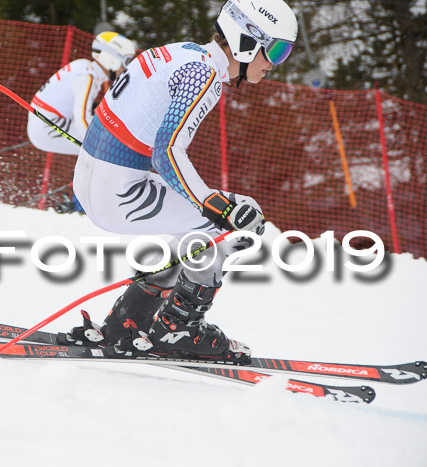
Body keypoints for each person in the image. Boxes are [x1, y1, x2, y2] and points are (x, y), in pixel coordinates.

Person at [61, 0, 298, 363]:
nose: (273, 65)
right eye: (276, 51)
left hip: (93, 182)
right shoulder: (202, 74)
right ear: (248, 39)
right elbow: (167, 153)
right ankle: (179, 328)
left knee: (191, 229)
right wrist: (218, 206)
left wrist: (208, 203)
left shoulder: (178, 52)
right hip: (122, 193)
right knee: (236, 224)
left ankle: (129, 321)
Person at [26, 31, 136, 213]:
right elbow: (82, 118)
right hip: (48, 127)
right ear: (111, 59)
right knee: (106, 148)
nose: (125, 69)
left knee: (104, 144)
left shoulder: (84, 67)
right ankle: (82, 205)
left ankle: (85, 201)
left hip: (45, 123)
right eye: (126, 62)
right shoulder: (87, 76)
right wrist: (96, 146)